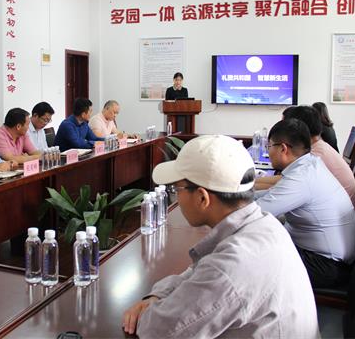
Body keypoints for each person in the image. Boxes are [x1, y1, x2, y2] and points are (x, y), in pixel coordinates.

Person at [122, 135, 318, 337]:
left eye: (177, 189)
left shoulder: (231, 266)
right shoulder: (264, 223)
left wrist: (147, 312)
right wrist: (158, 295)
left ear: (202, 198)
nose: (177, 197)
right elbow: (197, 272)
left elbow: (158, 330)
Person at [255, 118, 355, 288]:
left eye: (269, 146)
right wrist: (244, 195)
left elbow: (255, 213)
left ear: (283, 148)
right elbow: (272, 195)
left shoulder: (301, 178)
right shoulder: (310, 164)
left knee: (253, 256)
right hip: (328, 257)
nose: (268, 151)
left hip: (325, 266)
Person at [285, 105, 355, 206]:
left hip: (334, 209)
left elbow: (288, 182)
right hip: (339, 206)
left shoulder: (315, 155)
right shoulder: (319, 146)